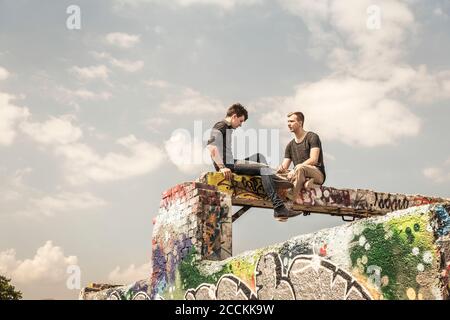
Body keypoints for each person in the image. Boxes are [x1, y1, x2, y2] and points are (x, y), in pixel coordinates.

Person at [206, 103, 296, 221]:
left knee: (258, 157)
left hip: (231, 162)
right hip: (228, 165)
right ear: (234, 116)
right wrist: (222, 167)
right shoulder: (221, 126)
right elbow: (211, 147)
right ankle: (279, 208)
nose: (240, 125)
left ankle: (271, 180)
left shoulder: (227, 127)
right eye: (240, 121)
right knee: (264, 169)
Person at [277, 112, 326, 203]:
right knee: (276, 174)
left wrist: (295, 169)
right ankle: (307, 184)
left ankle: (290, 200)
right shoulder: (290, 145)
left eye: (291, 121)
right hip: (299, 175)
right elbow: (284, 167)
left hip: (317, 173)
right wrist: (280, 169)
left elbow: (314, 159)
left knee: (299, 168)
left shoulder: (312, 137)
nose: (289, 124)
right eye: (288, 122)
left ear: (300, 123)